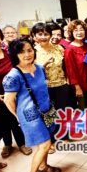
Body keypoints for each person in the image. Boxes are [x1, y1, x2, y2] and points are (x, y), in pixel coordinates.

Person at [3, 37, 61, 172]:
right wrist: (18, 117)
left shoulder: (39, 68)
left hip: (46, 111)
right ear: (15, 55)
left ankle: (43, 167)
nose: (27, 54)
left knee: (46, 142)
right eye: (22, 52)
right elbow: (9, 101)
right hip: (30, 117)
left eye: (29, 50)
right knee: (45, 145)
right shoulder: (13, 76)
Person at [0, 23, 31, 157]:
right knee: (2, 122)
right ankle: (7, 144)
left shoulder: (9, 54)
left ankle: (22, 143)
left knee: (16, 119)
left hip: (13, 94)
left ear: (1, 39)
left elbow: (20, 70)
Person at [31, 23, 71, 152]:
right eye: (40, 34)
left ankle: (63, 136)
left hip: (61, 84)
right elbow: (30, 71)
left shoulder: (59, 48)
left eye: (46, 34)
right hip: (44, 88)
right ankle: (50, 140)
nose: (43, 37)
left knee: (62, 112)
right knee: (48, 114)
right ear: (34, 36)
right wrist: (43, 65)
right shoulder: (32, 51)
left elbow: (66, 66)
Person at [64, 20, 87, 109]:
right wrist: (77, 88)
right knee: (84, 110)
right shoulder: (69, 50)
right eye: (76, 30)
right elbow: (70, 71)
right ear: (71, 33)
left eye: (81, 29)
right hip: (80, 86)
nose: (79, 32)